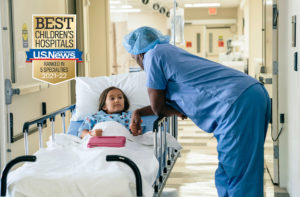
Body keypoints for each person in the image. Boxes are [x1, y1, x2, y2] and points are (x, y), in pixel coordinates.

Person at [123, 26, 271, 197]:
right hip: (247, 95)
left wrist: (172, 111)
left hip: (236, 103)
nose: (139, 65)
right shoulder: (166, 51)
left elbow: (158, 107)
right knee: (231, 170)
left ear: (139, 53)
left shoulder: (152, 57)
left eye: (135, 59)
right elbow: (173, 96)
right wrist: (139, 112)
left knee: (239, 173)